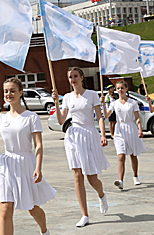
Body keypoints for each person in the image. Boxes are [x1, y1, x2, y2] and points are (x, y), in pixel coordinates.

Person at [0, 77, 55, 235]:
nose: (9, 94)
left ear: (21, 92)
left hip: (26, 164)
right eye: (6, 91)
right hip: (6, 165)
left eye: (12, 91)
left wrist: (38, 168)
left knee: (32, 208)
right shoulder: (1, 118)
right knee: (5, 209)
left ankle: (44, 231)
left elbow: (38, 145)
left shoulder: (31, 117)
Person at [52, 67, 109, 228]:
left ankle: (101, 194)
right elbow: (61, 120)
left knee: (91, 177)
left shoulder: (92, 95)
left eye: (76, 76)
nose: (73, 79)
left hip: (89, 135)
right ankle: (84, 214)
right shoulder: (68, 97)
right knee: (77, 175)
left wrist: (103, 135)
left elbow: (100, 117)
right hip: (73, 136)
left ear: (82, 78)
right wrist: (56, 102)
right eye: (70, 77)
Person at [100, 81, 146, 190]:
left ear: (126, 89)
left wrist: (140, 129)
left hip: (131, 128)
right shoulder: (114, 103)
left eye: (122, 88)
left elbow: (137, 118)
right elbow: (106, 115)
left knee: (133, 155)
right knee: (121, 155)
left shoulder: (132, 103)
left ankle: (135, 176)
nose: (120, 90)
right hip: (120, 129)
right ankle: (120, 181)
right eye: (118, 88)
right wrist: (102, 104)